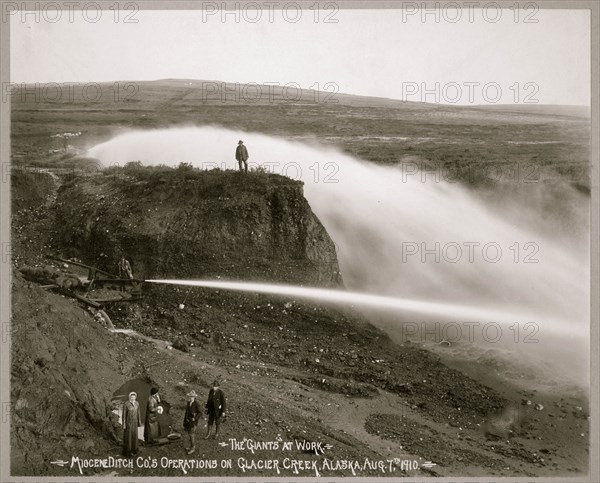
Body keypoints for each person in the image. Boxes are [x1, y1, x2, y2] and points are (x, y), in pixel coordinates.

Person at [183, 390, 203, 455]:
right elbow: (186, 413)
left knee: (191, 435)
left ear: (194, 397)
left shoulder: (197, 404)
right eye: (189, 396)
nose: (190, 398)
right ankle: (191, 446)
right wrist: (185, 421)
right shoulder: (188, 403)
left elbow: (200, 413)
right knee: (189, 433)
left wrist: (195, 418)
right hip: (188, 421)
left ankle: (193, 448)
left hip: (193, 422)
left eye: (192, 397)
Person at [122, 392, 142, 457]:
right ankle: (128, 451)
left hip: (135, 422)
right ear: (129, 397)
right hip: (129, 423)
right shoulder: (126, 404)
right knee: (129, 437)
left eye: (134, 397)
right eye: (131, 397)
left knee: (135, 436)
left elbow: (138, 413)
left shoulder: (137, 404)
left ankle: (134, 450)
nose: (132, 398)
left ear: (135, 397)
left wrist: (139, 422)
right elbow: (124, 415)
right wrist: (124, 424)